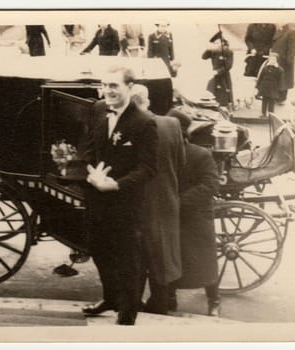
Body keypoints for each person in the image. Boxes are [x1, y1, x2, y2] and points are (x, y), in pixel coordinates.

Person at [81, 66, 158, 325]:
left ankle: (127, 314)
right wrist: (91, 171)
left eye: (114, 85)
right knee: (99, 250)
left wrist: (115, 185)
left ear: (130, 87)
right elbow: (90, 147)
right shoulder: (99, 110)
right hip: (97, 199)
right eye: (105, 85)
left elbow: (148, 169)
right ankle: (110, 298)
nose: (108, 91)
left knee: (127, 258)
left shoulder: (145, 122)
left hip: (126, 204)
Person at [131, 85, 185, 315]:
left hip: (138, 201)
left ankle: (133, 302)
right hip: (166, 199)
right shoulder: (172, 124)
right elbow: (180, 162)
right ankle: (161, 303)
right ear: (148, 101)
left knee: (137, 256)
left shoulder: (130, 127)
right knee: (162, 254)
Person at [166, 109, 221, 317]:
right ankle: (170, 297)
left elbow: (210, 185)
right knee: (171, 258)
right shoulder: (164, 154)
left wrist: (179, 201)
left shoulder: (200, 154)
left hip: (196, 216)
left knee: (205, 261)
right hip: (173, 216)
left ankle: (214, 300)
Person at [202, 34, 234, 108]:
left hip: (224, 76)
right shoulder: (214, 51)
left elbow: (228, 66)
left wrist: (218, 71)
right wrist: (209, 49)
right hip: (214, 76)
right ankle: (212, 107)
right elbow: (203, 57)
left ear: (222, 43)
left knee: (224, 96)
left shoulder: (227, 51)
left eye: (217, 43)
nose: (216, 45)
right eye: (215, 43)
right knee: (211, 92)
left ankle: (225, 108)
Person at [270, 23, 295, 104]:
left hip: (285, 61)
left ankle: (282, 99)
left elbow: (293, 48)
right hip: (276, 58)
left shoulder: (291, 32)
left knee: (284, 80)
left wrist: (289, 60)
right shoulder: (277, 30)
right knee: (277, 78)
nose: (277, 22)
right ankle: (276, 97)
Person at [256, 52, 285, 118]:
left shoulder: (279, 70)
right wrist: (258, 86)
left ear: (276, 60)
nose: (272, 61)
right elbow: (260, 77)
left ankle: (271, 115)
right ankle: (263, 113)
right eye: (270, 59)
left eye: (274, 60)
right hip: (265, 86)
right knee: (264, 101)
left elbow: (281, 80)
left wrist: (280, 89)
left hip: (273, 87)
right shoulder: (265, 68)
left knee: (271, 102)